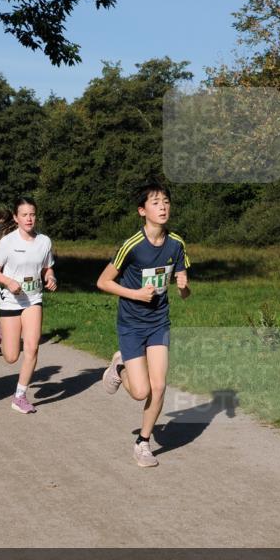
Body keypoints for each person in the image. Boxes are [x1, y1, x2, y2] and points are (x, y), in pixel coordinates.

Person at [96, 181, 190, 467]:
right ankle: (119, 365)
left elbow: (184, 291)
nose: (162, 207)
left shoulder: (177, 244)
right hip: (132, 325)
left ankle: (143, 442)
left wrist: (184, 286)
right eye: (155, 202)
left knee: (159, 387)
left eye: (165, 201)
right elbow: (102, 282)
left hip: (159, 322)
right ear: (142, 210)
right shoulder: (132, 246)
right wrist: (135, 293)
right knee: (141, 392)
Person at [0, 198, 57, 414]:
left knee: (32, 346)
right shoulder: (8, 242)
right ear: (16, 218)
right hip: (10, 299)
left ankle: (20, 395)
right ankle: (2, 328)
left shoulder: (44, 241)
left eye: (32, 214)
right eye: (24, 215)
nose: (29, 218)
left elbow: (47, 267)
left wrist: (51, 277)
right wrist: (8, 281)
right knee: (10, 357)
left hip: (33, 299)